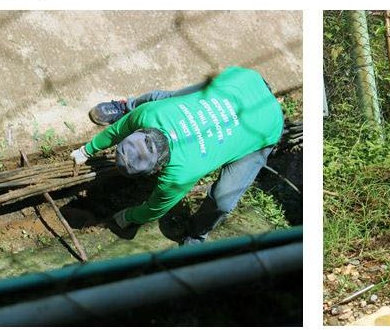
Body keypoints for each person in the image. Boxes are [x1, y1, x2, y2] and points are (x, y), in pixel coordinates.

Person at [70, 67, 285, 245]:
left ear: (157, 169)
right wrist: (85, 150)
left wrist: (130, 216)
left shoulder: (180, 173)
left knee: (223, 199)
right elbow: (117, 131)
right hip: (241, 82)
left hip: (265, 123)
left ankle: (196, 235)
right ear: (140, 131)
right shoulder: (150, 113)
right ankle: (127, 106)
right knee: (165, 100)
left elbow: (155, 208)